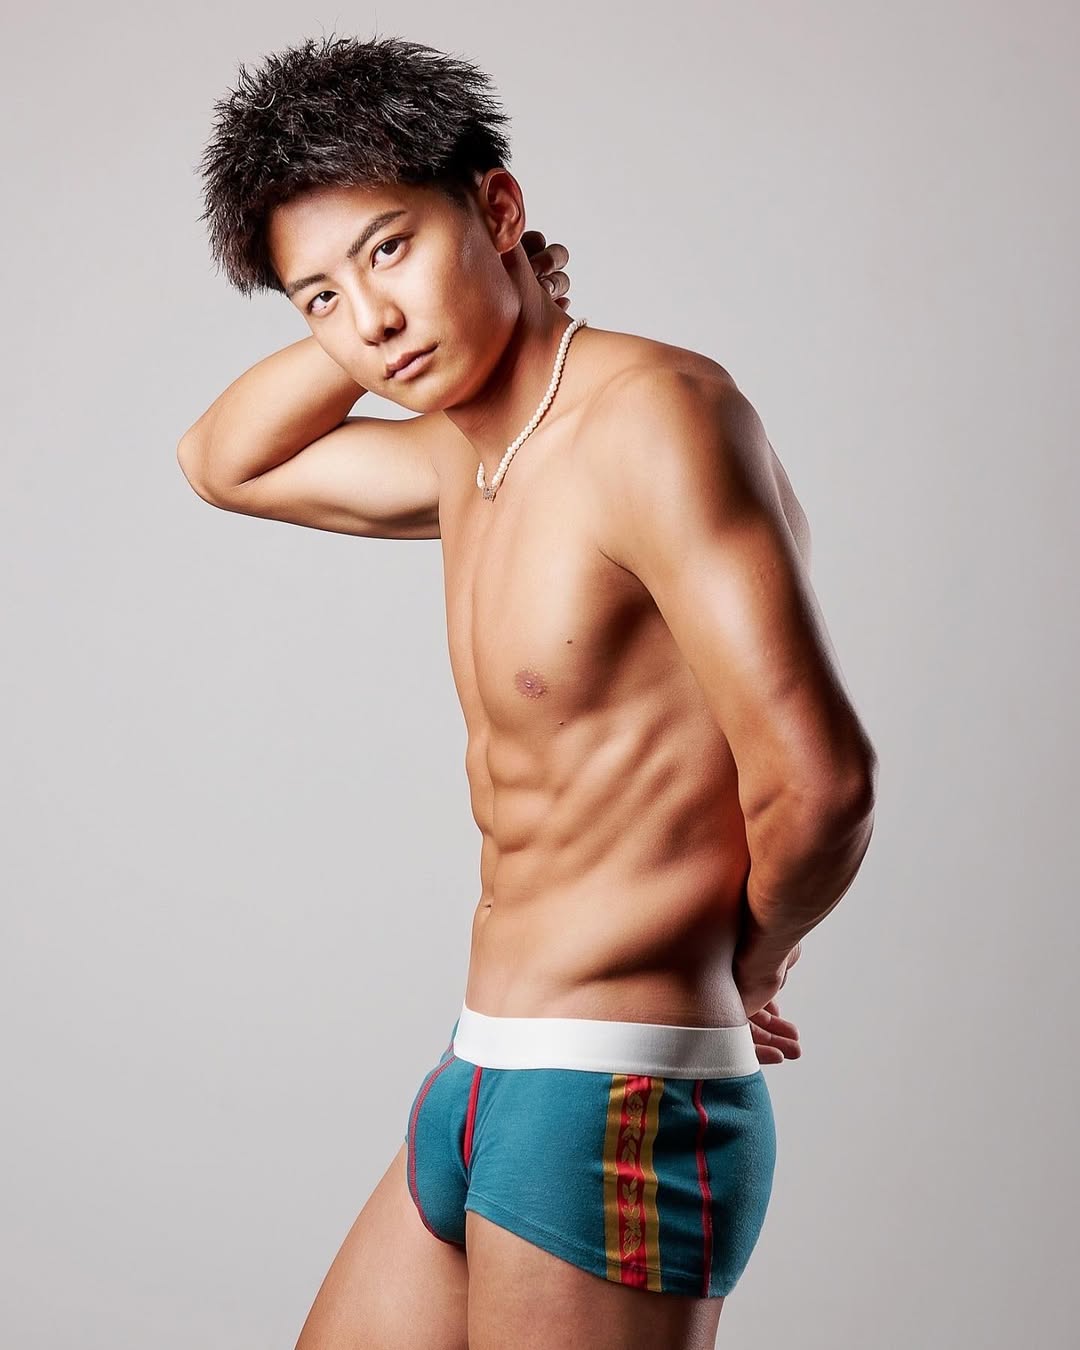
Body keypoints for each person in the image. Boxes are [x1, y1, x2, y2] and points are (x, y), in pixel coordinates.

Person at [178, 32, 878, 1350]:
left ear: (499, 206)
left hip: (619, 1093)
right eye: (318, 296)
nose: (369, 318)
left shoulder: (652, 419)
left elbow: (821, 780)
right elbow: (223, 461)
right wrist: (383, 315)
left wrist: (750, 961)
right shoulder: (461, 456)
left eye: (391, 247)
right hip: (480, 1068)